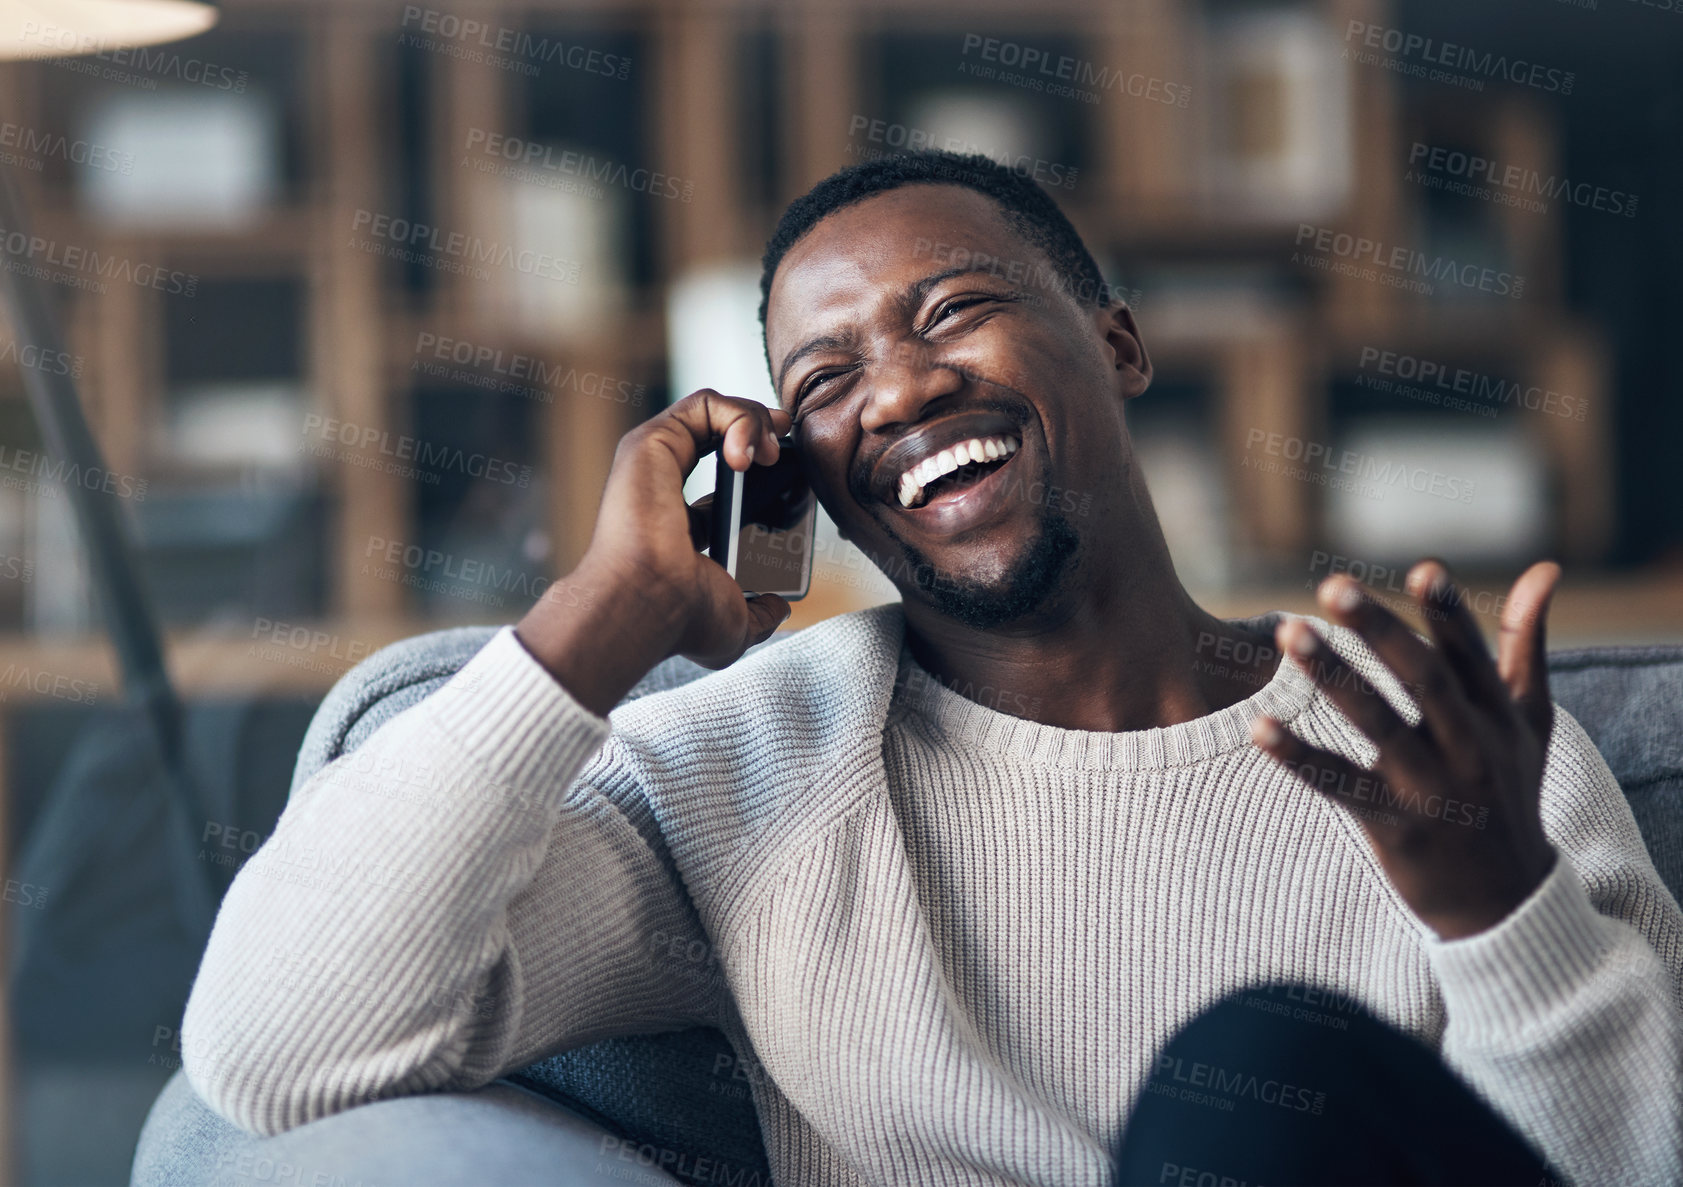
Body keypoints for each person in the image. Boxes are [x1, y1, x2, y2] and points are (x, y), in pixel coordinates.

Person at [183, 151, 1682, 1186]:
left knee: (1258, 1080)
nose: (898, 389)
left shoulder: (1447, 746)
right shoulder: (747, 771)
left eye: (954, 310)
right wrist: (605, 613)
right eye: (822, 382)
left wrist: (1498, 915)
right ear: (800, 470)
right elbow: (274, 1053)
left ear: (1117, 344)